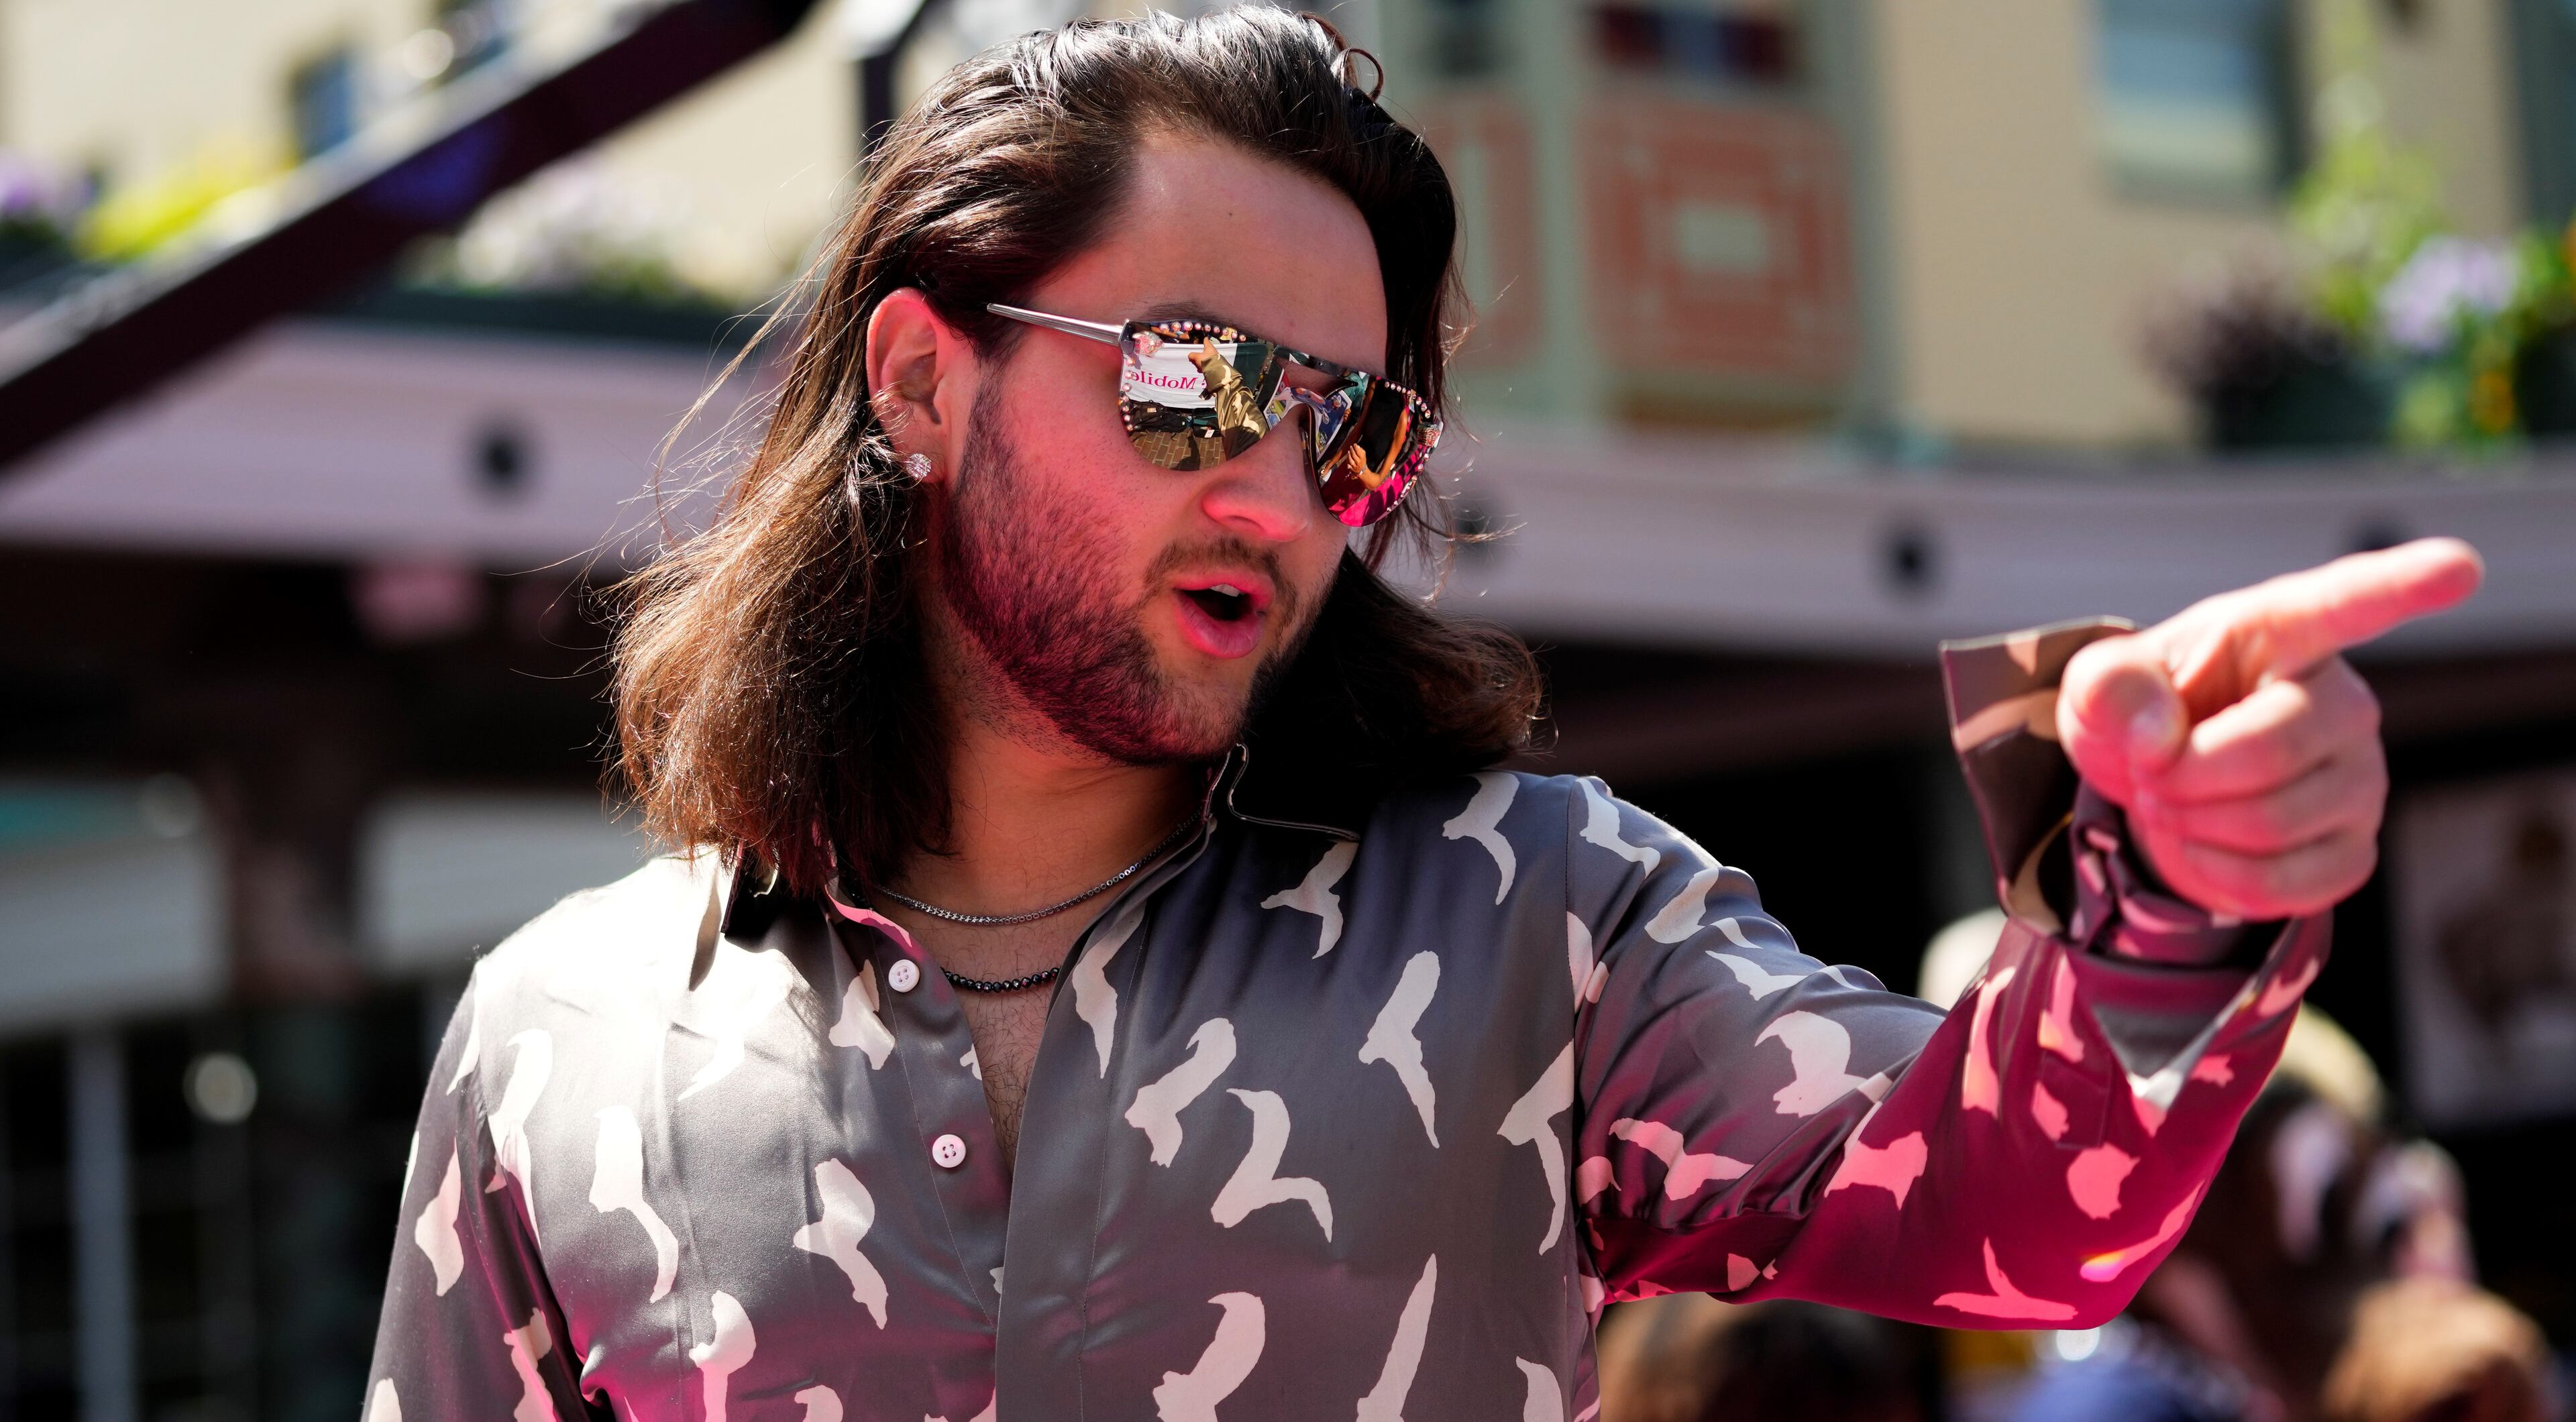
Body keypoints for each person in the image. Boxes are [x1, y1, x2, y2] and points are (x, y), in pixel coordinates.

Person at [360, 11, 2485, 1421]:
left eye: (1353, 431)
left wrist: (2168, 898)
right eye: (1196, 379)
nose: (1280, 495)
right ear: (923, 381)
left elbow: (2011, 1217)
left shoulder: (1536, 923)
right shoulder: (558, 1038)